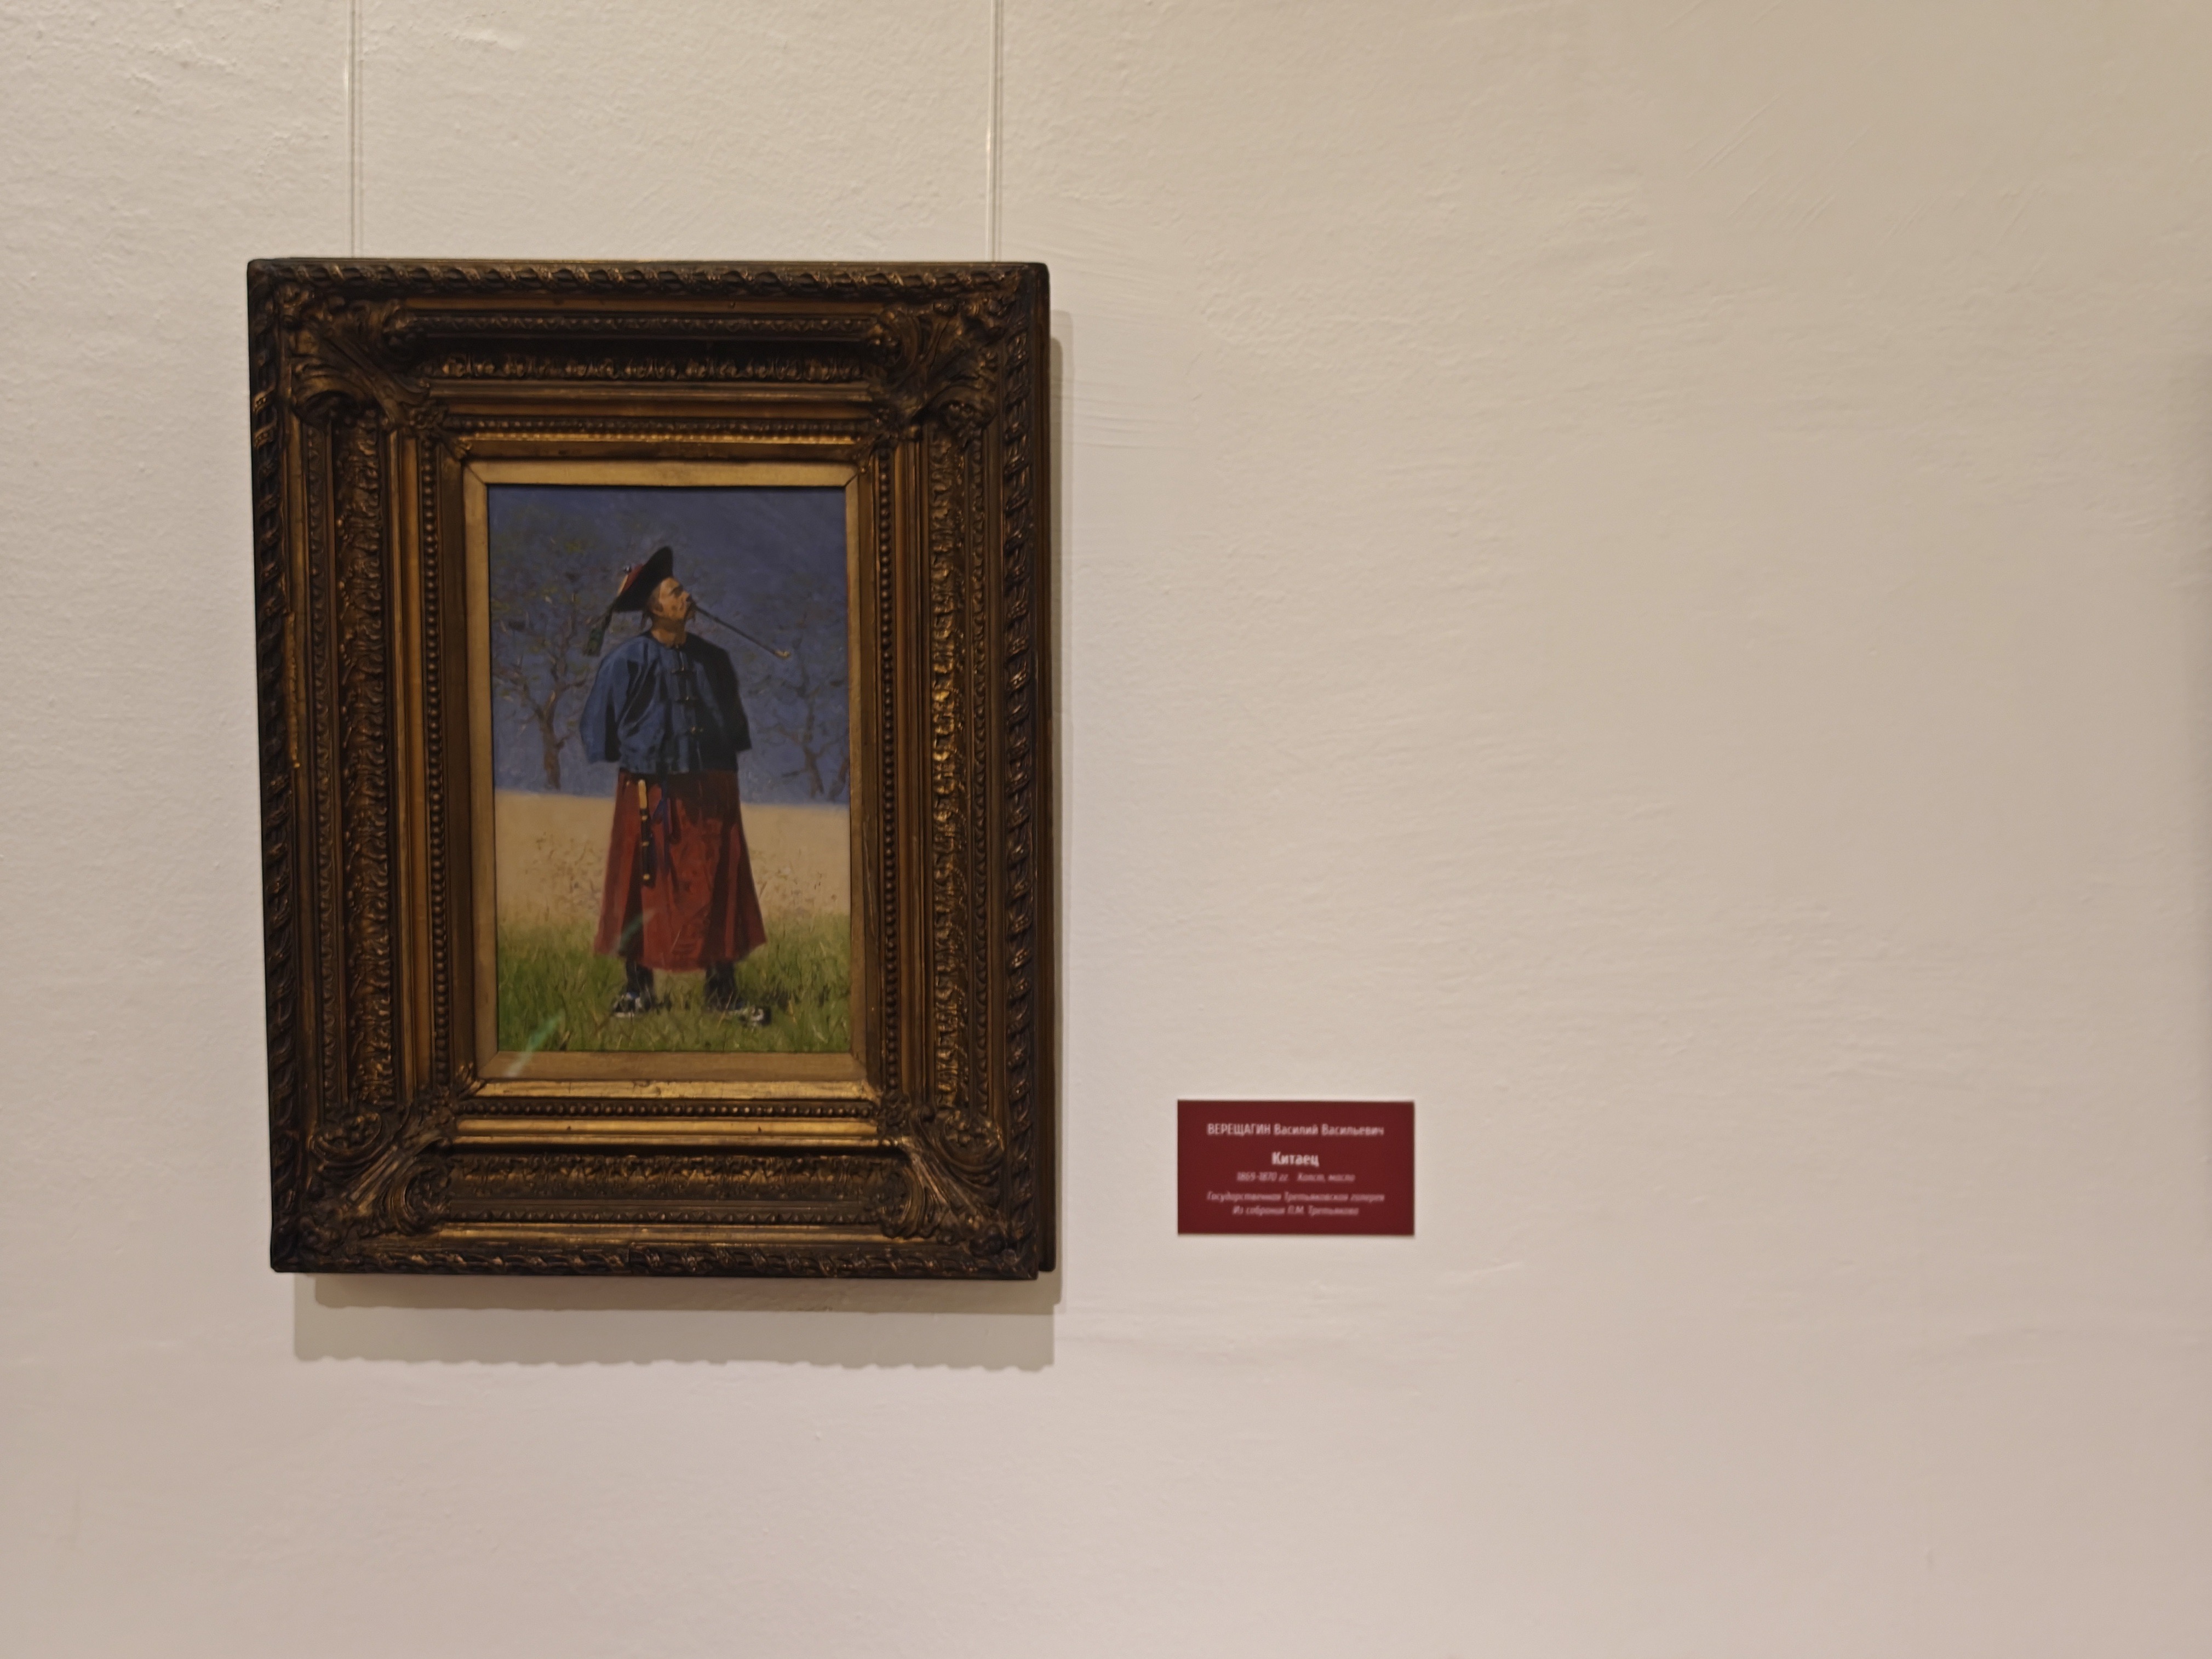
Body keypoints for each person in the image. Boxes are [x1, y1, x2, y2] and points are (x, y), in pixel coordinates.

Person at [579, 546, 770, 1022]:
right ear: (654, 608)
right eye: (675, 592)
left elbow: (733, 725)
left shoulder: (715, 660)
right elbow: (599, 728)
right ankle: (638, 992)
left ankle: (723, 994)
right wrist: (641, 757)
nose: (687, 597)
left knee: (718, 883)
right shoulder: (625, 661)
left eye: (684, 591)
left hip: (711, 789)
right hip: (649, 790)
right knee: (641, 884)